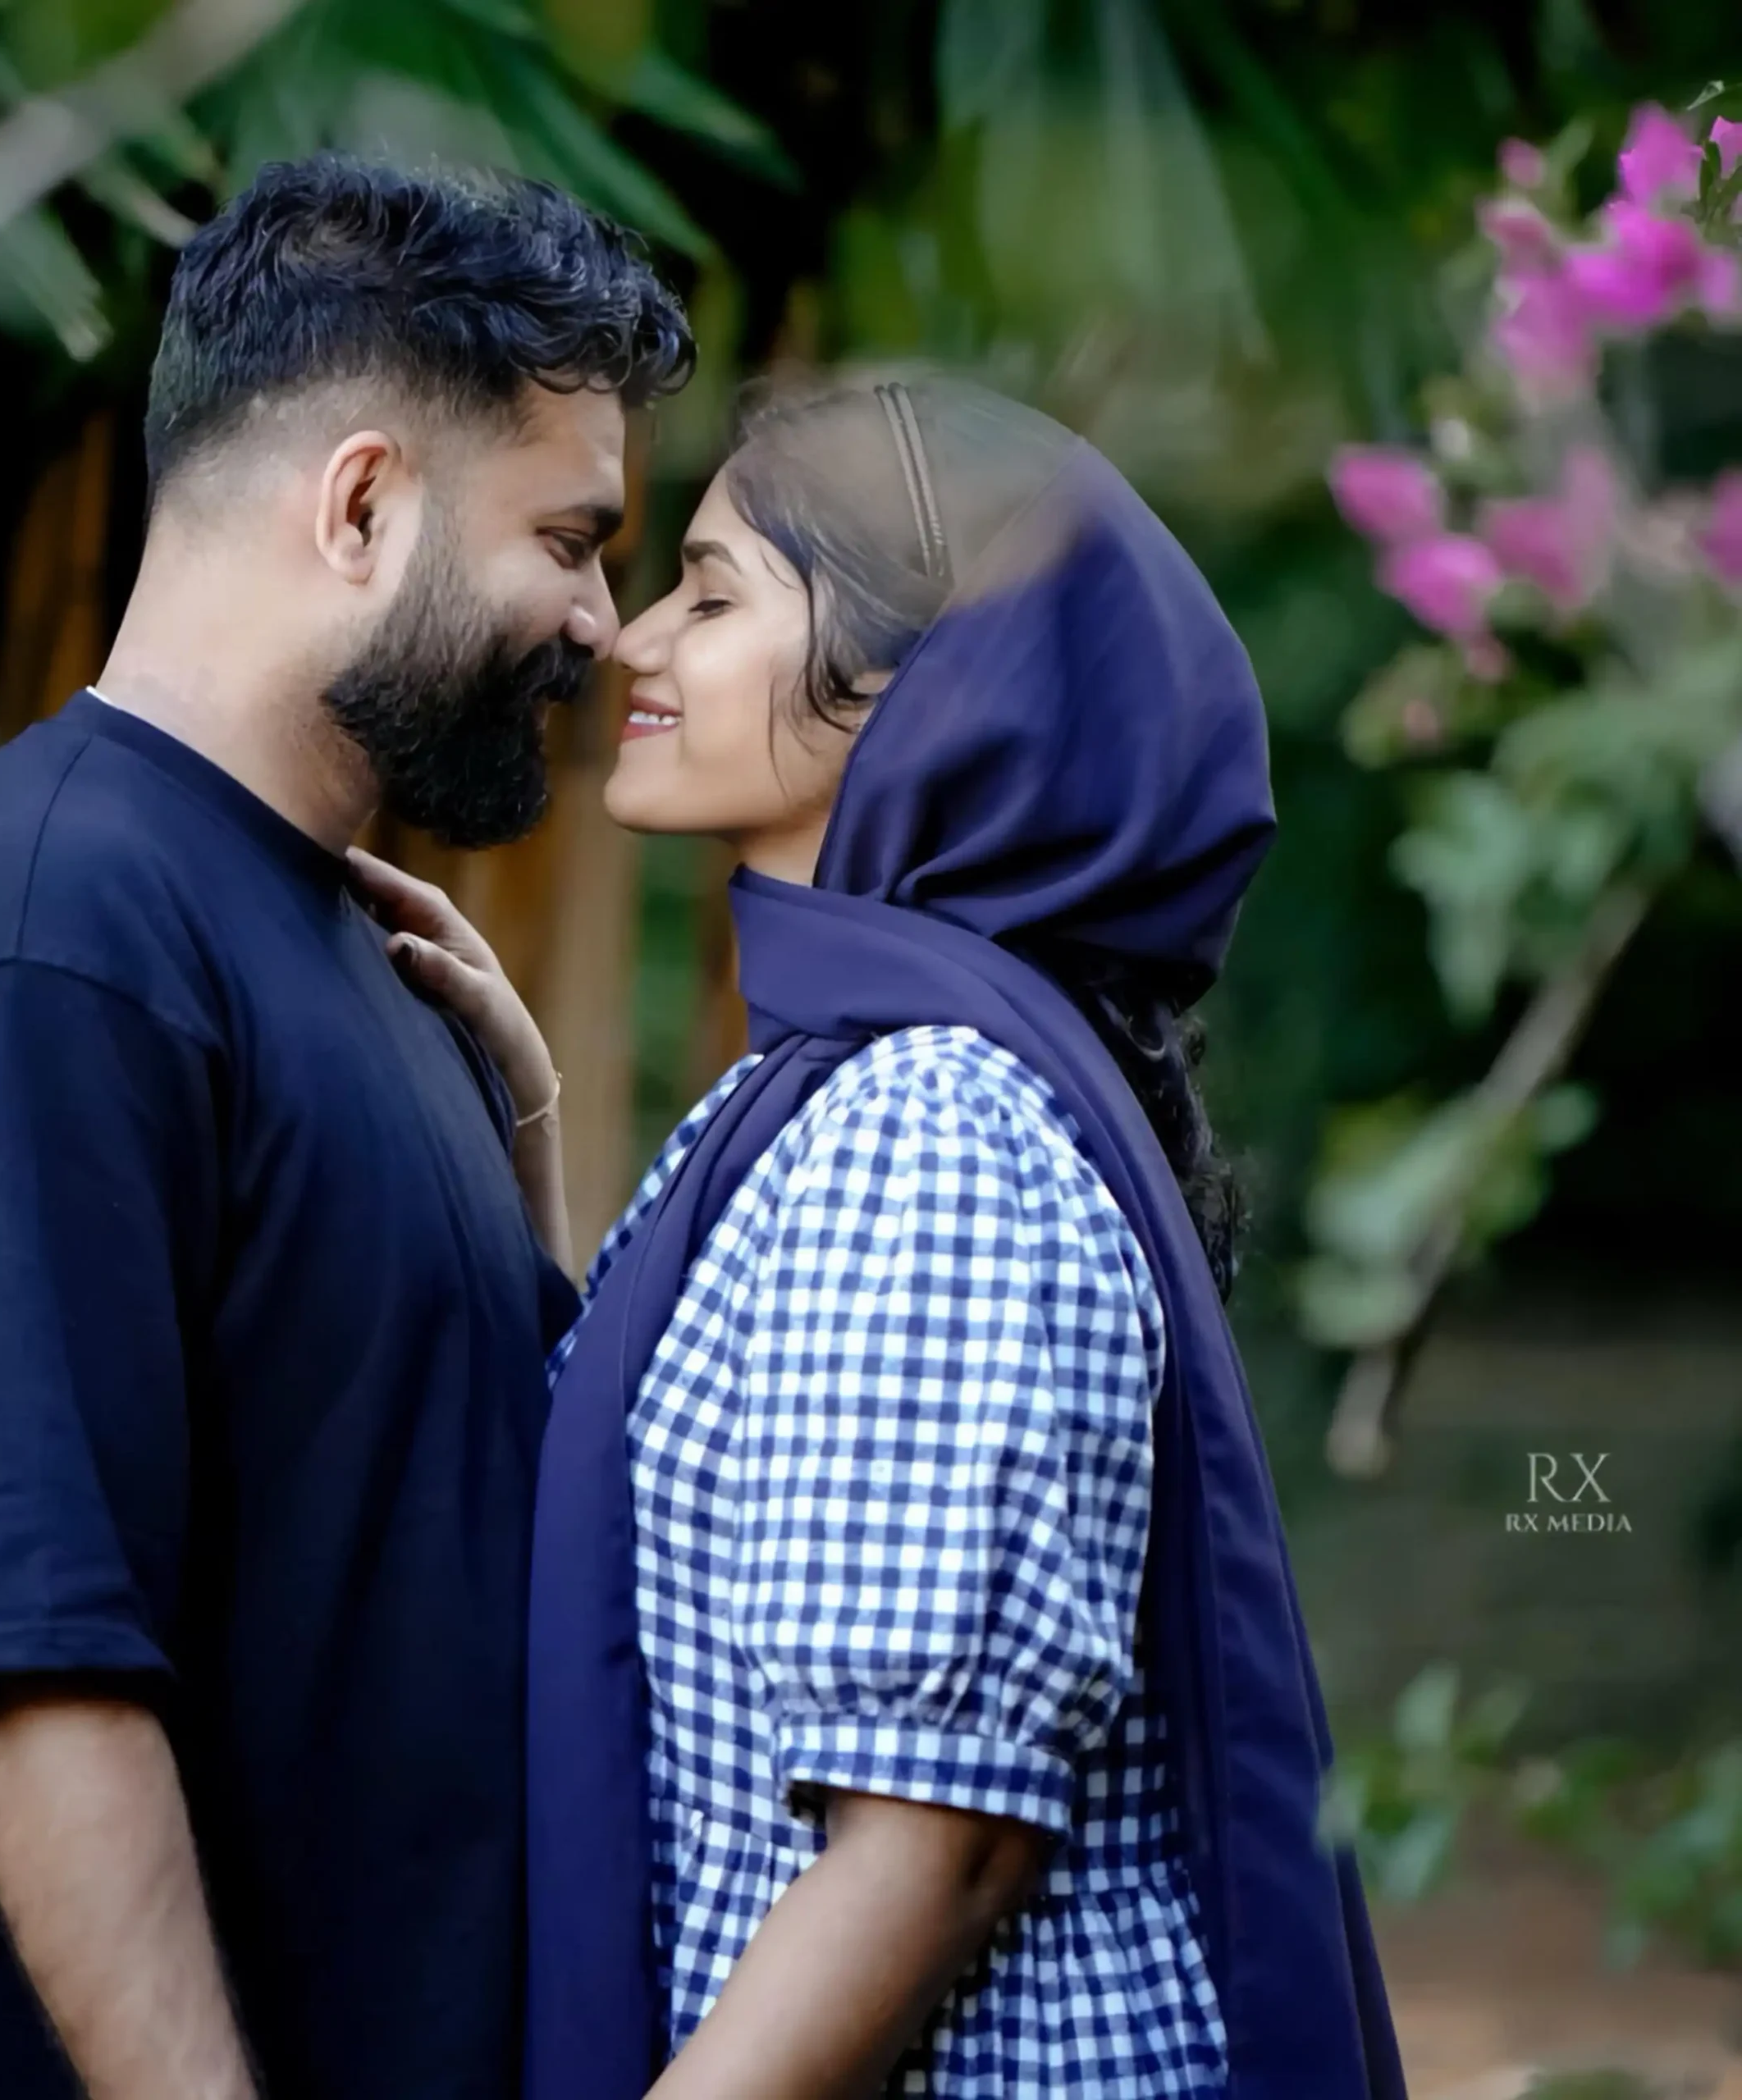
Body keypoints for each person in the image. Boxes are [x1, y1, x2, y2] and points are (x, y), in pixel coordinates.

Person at [0, 156, 691, 2100]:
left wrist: (526, 1147)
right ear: (361, 503)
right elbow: (28, 1661)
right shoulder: (46, 935)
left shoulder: (356, 945)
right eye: (569, 539)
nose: (601, 621)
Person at [359, 377, 1406, 2099]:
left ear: (933, 692)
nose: (632, 641)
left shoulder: (927, 1129)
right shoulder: (848, 1091)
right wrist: (533, 1125)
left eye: (712, 597)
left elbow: (928, 1848)